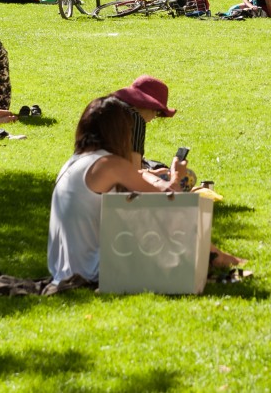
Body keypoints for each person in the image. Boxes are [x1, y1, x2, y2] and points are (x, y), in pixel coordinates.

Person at [46, 95, 243, 285]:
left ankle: (215, 256)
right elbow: (171, 198)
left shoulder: (76, 162)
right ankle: (217, 257)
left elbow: (136, 181)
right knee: (162, 214)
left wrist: (147, 175)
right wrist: (176, 174)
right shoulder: (109, 163)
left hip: (64, 270)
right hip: (93, 271)